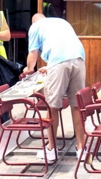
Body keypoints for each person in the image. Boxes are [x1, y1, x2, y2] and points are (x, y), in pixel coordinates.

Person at [23, 13, 86, 161]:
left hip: (59, 61)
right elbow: (63, 49)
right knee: (76, 106)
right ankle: (82, 149)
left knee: (52, 106)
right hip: (78, 59)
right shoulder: (61, 22)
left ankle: (51, 149)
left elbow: (33, 55)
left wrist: (28, 69)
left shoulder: (35, 27)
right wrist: (50, 67)